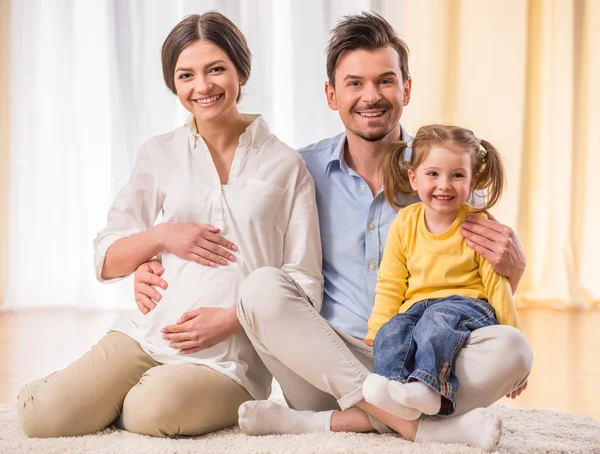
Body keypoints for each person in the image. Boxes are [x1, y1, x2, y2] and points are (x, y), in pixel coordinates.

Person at [135, 11, 532, 453]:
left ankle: (321, 424)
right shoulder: (297, 169)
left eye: (385, 81)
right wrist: (155, 258)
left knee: (514, 348)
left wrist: (513, 271)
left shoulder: (445, 178)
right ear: (331, 94)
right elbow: (235, 236)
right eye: (354, 83)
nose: (371, 96)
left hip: (423, 364)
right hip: (323, 365)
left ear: (407, 88)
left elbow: (479, 287)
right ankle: (415, 427)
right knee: (262, 286)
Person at [17, 12, 322, 438]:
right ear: (173, 84)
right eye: (186, 75)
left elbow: (304, 280)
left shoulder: (286, 164)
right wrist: (160, 237)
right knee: (40, 416)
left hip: (229, 360)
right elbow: (107, 256)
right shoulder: (159, 153)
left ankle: (110, 399)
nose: (203, 86)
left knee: (149, 411)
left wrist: (234, 318)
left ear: (241, 69)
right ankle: (77, 392)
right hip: (147, 334)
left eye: (216, 69)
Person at [362, 125, 522, 424]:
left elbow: (496, 285)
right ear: (413, 177)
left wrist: (514, 336)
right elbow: (391, 283)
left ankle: (429, 386)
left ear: (473, 180)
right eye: (433, 174)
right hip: (418, 309)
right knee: (394, 330)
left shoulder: (477, 224)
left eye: (457, 175)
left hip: (468, 306)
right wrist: (376, 330)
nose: (444, 185)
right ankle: (391, 388)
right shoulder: (405, 222)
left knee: (436, 321)